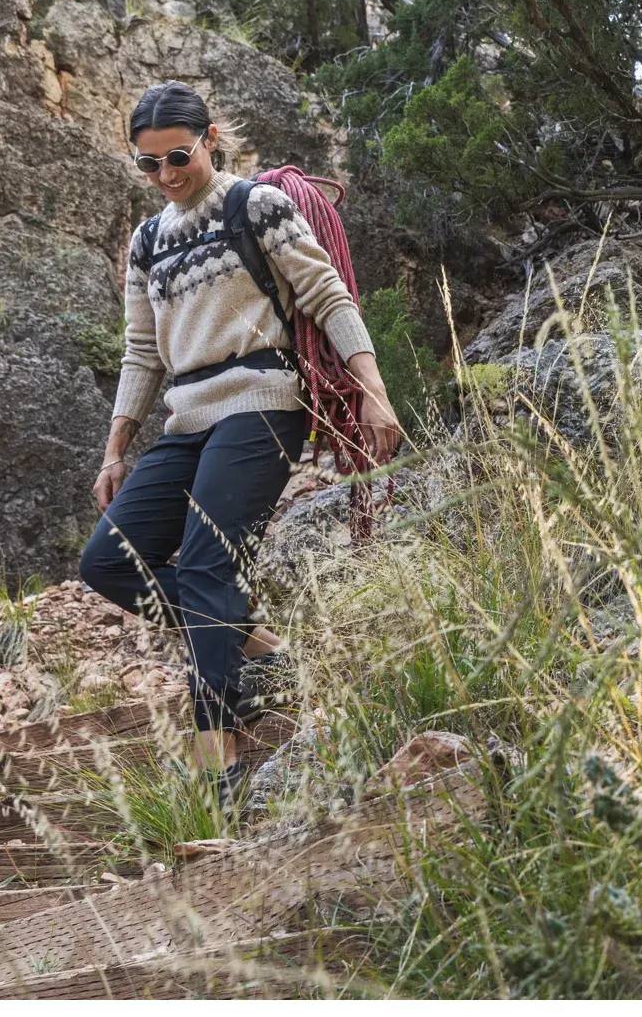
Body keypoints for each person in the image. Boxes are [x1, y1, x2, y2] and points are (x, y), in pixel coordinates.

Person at [79, 81, 402, 797]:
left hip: (262, 401)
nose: (165, 176)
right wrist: (115, 448)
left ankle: (216, 749)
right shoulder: (145, 242)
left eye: (178, 158)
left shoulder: (256, 206)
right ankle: (259, 645)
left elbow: (329, 297)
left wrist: (374, 392)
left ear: (211, 137)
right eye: (148, 164)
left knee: (204, 566)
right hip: (187, 416)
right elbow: (141, 351)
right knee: (106, 561)